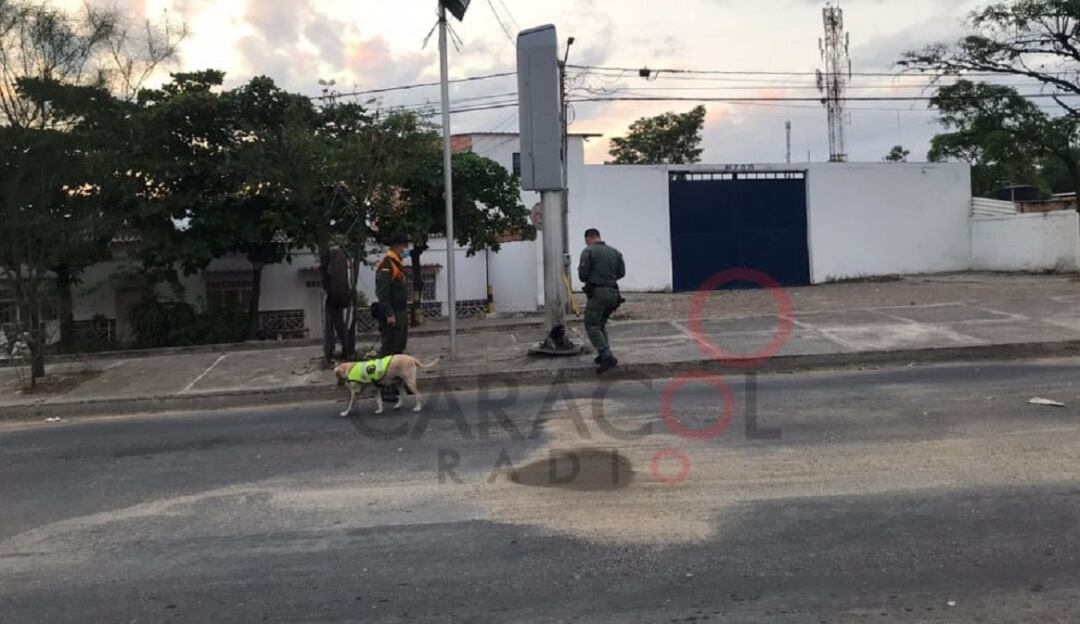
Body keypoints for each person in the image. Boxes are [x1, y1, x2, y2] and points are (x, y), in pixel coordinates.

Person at [578, 228, 625, 374]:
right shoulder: (615, 251)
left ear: (588, 239)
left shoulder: (588, 251)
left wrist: (596, 278)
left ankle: (607, 356)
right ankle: (603, 352)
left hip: (598, 294)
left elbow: (583, 275)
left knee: (591, 324)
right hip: (613, 293)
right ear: (599, 237)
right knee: (600, 323)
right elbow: (621, 273)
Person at [376, 232, 410, 398]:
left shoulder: (397, 263)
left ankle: (398, 383)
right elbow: (382, 293)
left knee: (399, 349)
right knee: (389, 351)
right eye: (404, 246)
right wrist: (389, 313)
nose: (406, 249)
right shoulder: (387, 264)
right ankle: (384, 386)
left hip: (400, 312)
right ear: (397, 246)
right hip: (392, 313)